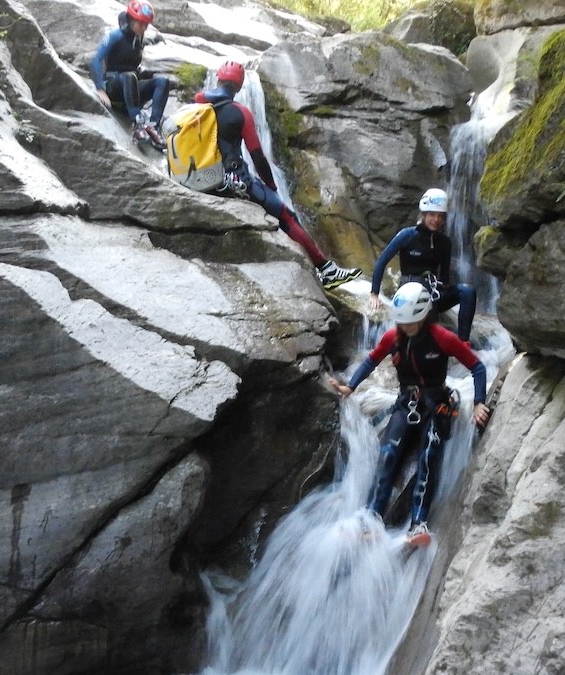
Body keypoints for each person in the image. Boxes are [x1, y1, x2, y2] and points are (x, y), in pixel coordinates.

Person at [328, 282, 490, 546]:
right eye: (402, 322)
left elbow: (478, 367)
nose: (405, 327)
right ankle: (369, 518)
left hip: (437, 405)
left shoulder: (442, 338)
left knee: (428, 458)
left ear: (425, 316)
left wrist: (479, 402)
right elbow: (371, 360)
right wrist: (350, 387)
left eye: (411, 322)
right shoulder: (393, 337)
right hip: (407, 404)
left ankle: (418, 524)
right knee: (388, 455)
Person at [195, 61, 362, 290]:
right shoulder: (241, 113)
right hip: (229, 180)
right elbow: (258, 157)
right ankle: (327, 271)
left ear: (219, 79)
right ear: (239, 86)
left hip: (200, 175)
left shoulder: (199, 102)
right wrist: (271, 186)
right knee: (286, 215)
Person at [367, 188, 478, 343]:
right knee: (422, 298)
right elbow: (382, 261)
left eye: (440, 216)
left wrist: (444, 291)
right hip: (410, 291)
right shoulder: (407, 235)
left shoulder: (444, 242)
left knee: (467, 292)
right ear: (424, 214)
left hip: (432, 291)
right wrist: (374, 293)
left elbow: (444, 278)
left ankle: (463, 344)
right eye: (432, 215)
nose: (436, 220)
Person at [91, 0, 170, 149]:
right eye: (140, 23)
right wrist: (100, 88)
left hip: (131, 87)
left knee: (162, 81)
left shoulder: (138, 38)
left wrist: (153, 41)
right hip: (113, 86)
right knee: (129, 76)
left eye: (146, 24)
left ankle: (153, 126)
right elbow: (95, 60)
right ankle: (138, 124)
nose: (143, 27)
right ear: (131, 20)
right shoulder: (115, 36)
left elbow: (138, 45)